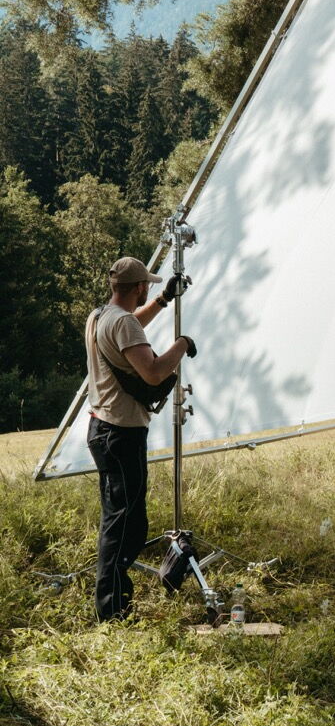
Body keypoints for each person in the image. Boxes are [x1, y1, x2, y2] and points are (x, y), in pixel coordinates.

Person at [85, 256, 196, 621]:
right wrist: (182, 345)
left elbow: (131, 327)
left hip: (102, 429)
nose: (148, 288)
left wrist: (164, 300)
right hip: (122, 433)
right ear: (138, 287)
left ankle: (113, 602)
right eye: (147, 285)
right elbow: (151, 373)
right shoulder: (124, 324)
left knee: (118, 517)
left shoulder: (101, 316)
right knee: (127, 525)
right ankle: (112, 611)